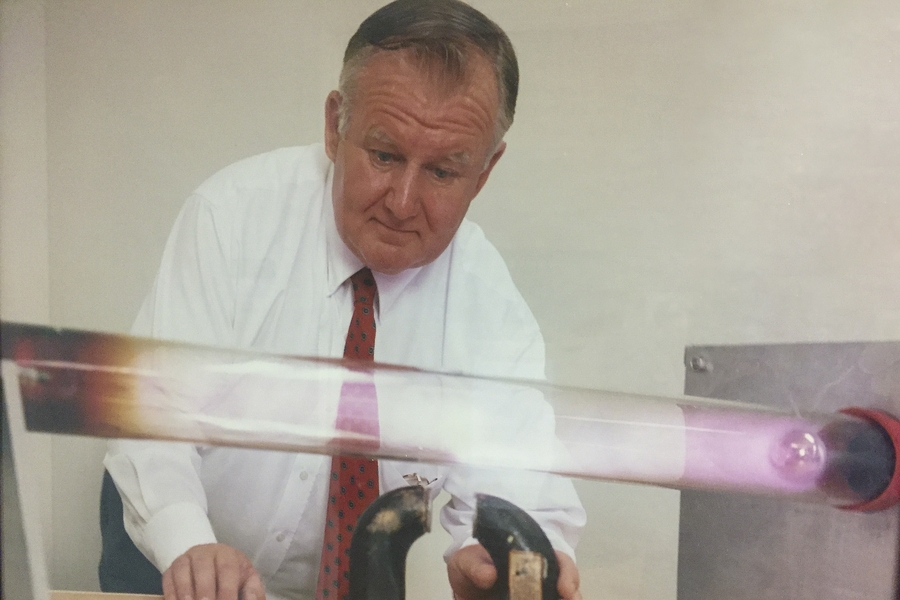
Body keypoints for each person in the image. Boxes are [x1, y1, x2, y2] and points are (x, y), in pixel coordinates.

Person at [101, 1, 586, 599]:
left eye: (442, 172)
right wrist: (188, 545)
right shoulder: (231, 217)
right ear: (335, 126)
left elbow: (523, 487)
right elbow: (154, 417)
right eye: (383, 156)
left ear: (484, 172)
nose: (403, 202)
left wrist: (511, 561)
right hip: (176, 551)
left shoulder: (491, 306)